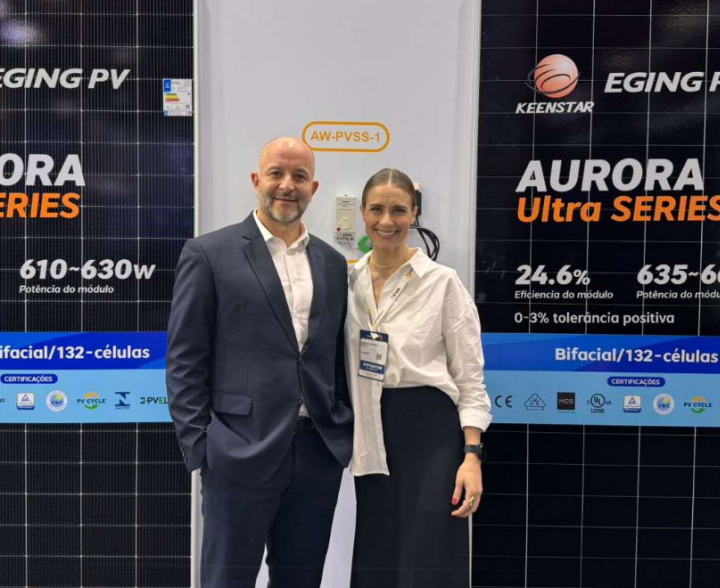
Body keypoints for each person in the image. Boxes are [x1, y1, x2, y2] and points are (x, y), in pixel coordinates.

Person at [166, 136, 353, 588]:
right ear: (256, 180)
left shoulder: (332, 263)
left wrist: (340, 428)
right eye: (276, 173)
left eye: (299, 176)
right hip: (238, 452)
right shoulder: (209, 253)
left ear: (313, 188)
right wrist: (203, 445)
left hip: (316, 455)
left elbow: (333, 355)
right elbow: (185, 358)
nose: (287, 185)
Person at [346, 168, 492, 588]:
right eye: (376, 209)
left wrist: (471, 456)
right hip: (371, 431)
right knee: (377, 553)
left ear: (414, 214)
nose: (386, 221)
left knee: (429, 556)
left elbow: (470, 379)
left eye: (398, 210)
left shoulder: (443, 283)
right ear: (362, 212)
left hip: (431, 433)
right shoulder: (349, 281)